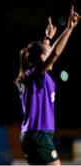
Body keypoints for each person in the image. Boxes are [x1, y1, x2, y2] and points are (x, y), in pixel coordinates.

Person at [14, 6, 80, 165]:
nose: (51, 52)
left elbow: (45, 53)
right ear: (42, 57)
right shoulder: (36, 74)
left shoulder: (32, 74)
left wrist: (47, 38)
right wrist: (69, 29)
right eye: (48, 51)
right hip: (39, 135)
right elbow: (54, 54)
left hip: (32, 135)